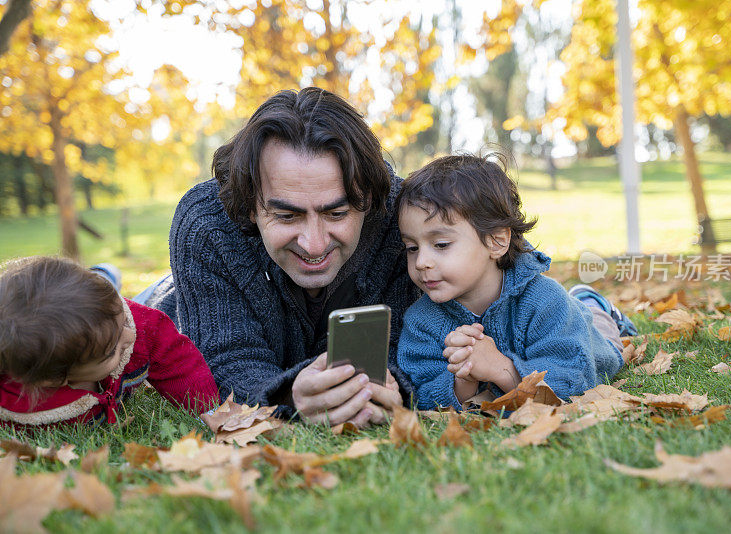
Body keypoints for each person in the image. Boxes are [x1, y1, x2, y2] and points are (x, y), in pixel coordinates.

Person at [145, 87, 420, 427]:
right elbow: (225, 360)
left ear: (369, 200)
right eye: (287, 216)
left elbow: (413, 340)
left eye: (336, 214)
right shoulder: (205, 223)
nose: (315, 245)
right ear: (249, 207)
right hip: (175, 301)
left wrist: (389, 383)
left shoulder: (406, 218)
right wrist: (286, 395)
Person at [396, 154, 636, 410]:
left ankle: (595, 305)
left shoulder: (545, 301)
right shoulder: (420, 321)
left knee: (603, 332)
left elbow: (574, 382)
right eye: (411, 247)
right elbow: (422, 393)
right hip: (565, 319)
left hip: (591, 337)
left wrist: (501, 369)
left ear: (497, 241)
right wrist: (463, 378)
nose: (421, 261)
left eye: (441, 244)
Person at [0, 256, 219, 428]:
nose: (130, 337)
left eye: (124, 323)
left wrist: (208, 410)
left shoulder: (135, 323)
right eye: (111, 350)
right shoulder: (20, 407)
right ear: (53, 379)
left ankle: (101, 278)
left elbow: (177, 360)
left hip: (106, 309)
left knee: (109, 311)